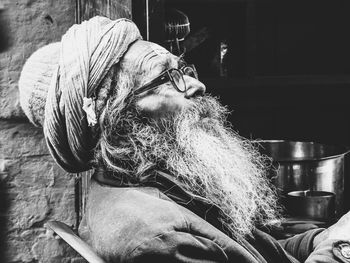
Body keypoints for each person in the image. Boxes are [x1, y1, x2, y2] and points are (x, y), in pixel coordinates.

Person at [19, 16, 350, 263]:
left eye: (184, 71)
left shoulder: (166, 181)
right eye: (167, 78)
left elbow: (263, 252)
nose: (197, 86)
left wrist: (328, 237)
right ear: (118, 120)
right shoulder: (154, 237)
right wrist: (340, 249)